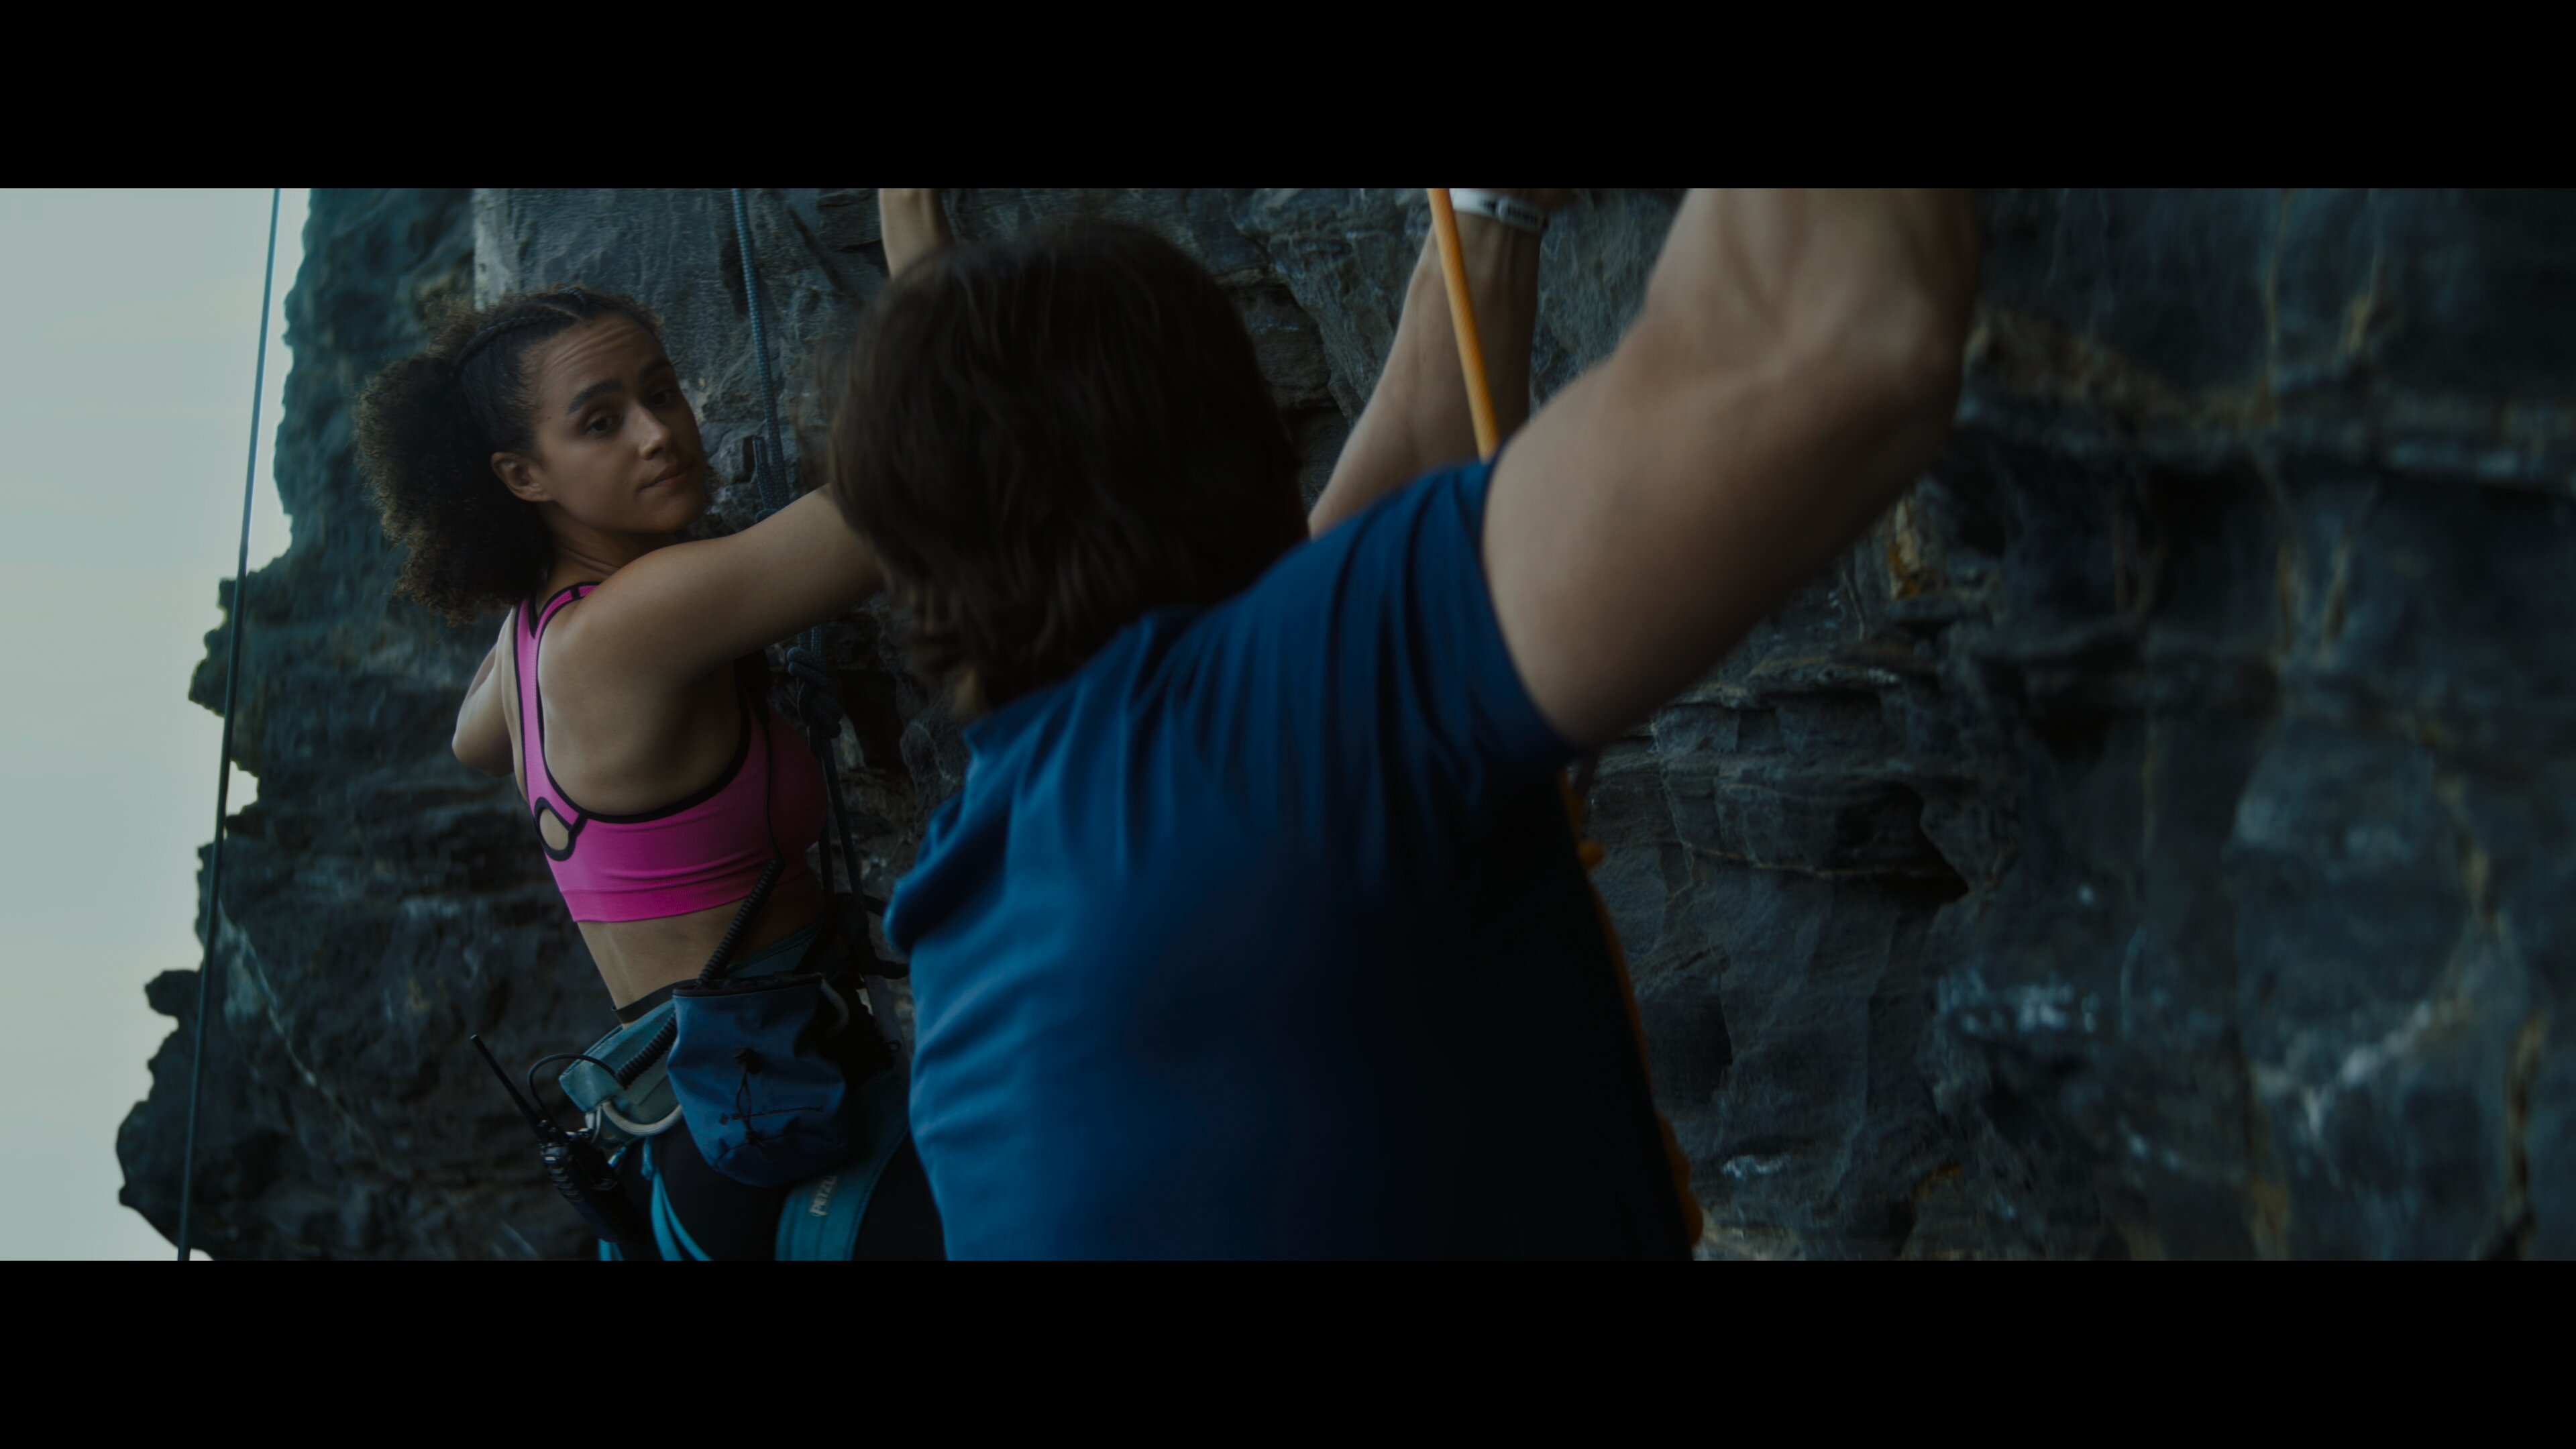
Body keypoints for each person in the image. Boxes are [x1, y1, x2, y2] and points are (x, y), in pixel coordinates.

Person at [821, 188, 1980, 1258]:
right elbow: (1826, 342)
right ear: (1271, 481)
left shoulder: (977, 912)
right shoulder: (1277, 733)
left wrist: (1485, 216)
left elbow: (1323, 602)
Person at [356, 192, 962, 1259]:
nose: (659, 434)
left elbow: (471, 740)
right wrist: (910, 212)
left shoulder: (535, 643)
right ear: (520, 476)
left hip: (696, 1146)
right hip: (788, 1132)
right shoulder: (629, 625)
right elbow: (922, 483)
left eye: (663, 391)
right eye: (601, 421)